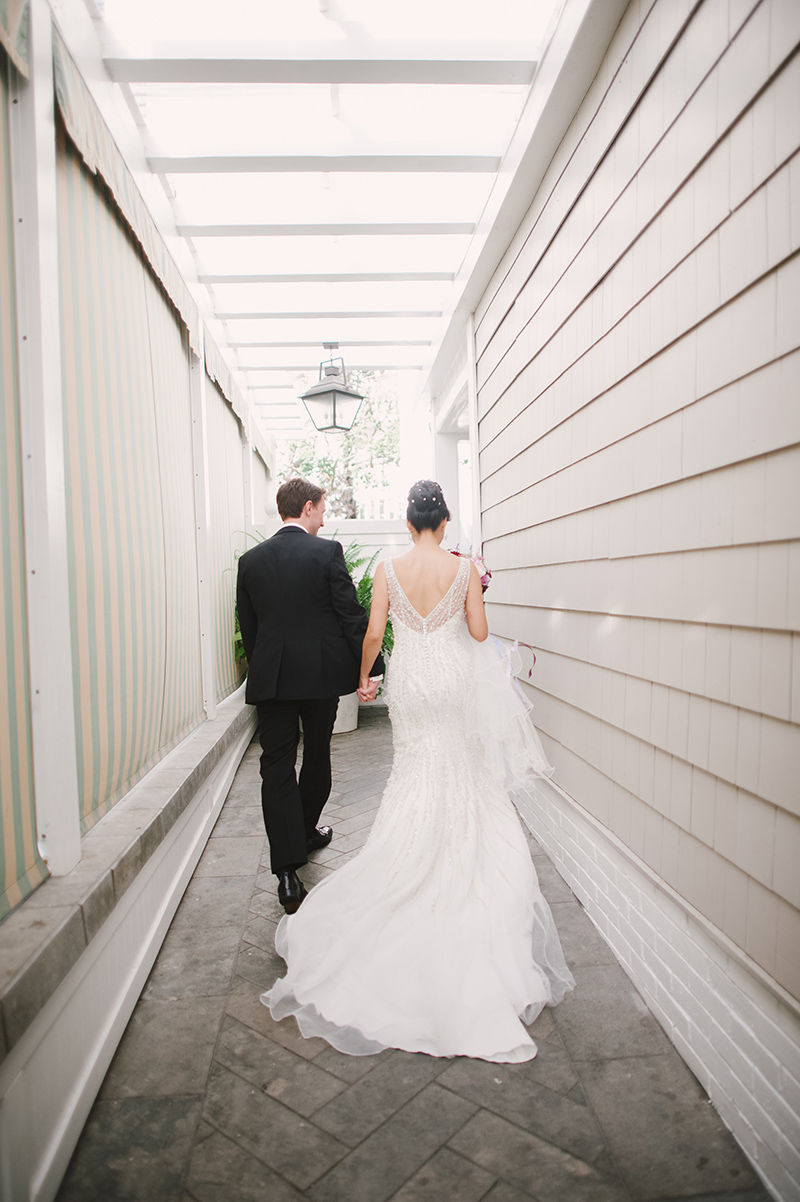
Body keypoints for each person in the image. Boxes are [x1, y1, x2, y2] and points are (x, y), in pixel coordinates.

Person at [262, 480, 574, 1062]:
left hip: (413, 681)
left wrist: (365, 677)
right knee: (460, 765)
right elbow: (479, 633)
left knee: (415, 770)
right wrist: (472, 593)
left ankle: (408, 863)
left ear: (408, 523)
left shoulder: (387, 567)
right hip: (452, 678)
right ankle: (461, 870)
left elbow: (376, 631)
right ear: (445, 521)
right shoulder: (464, 568)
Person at [236, 478, 384, 915]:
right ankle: (303, 832)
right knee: (317, 754)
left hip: (274, 680)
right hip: (319, 678)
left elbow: (250, 627)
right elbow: (349, 614)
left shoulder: (250, 561)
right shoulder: (326, 553)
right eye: (321, 508)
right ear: (306, 508)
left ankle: (286, 868)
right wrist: (372, 667)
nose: (324, 517)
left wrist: (267, 667)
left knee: (275, 766)